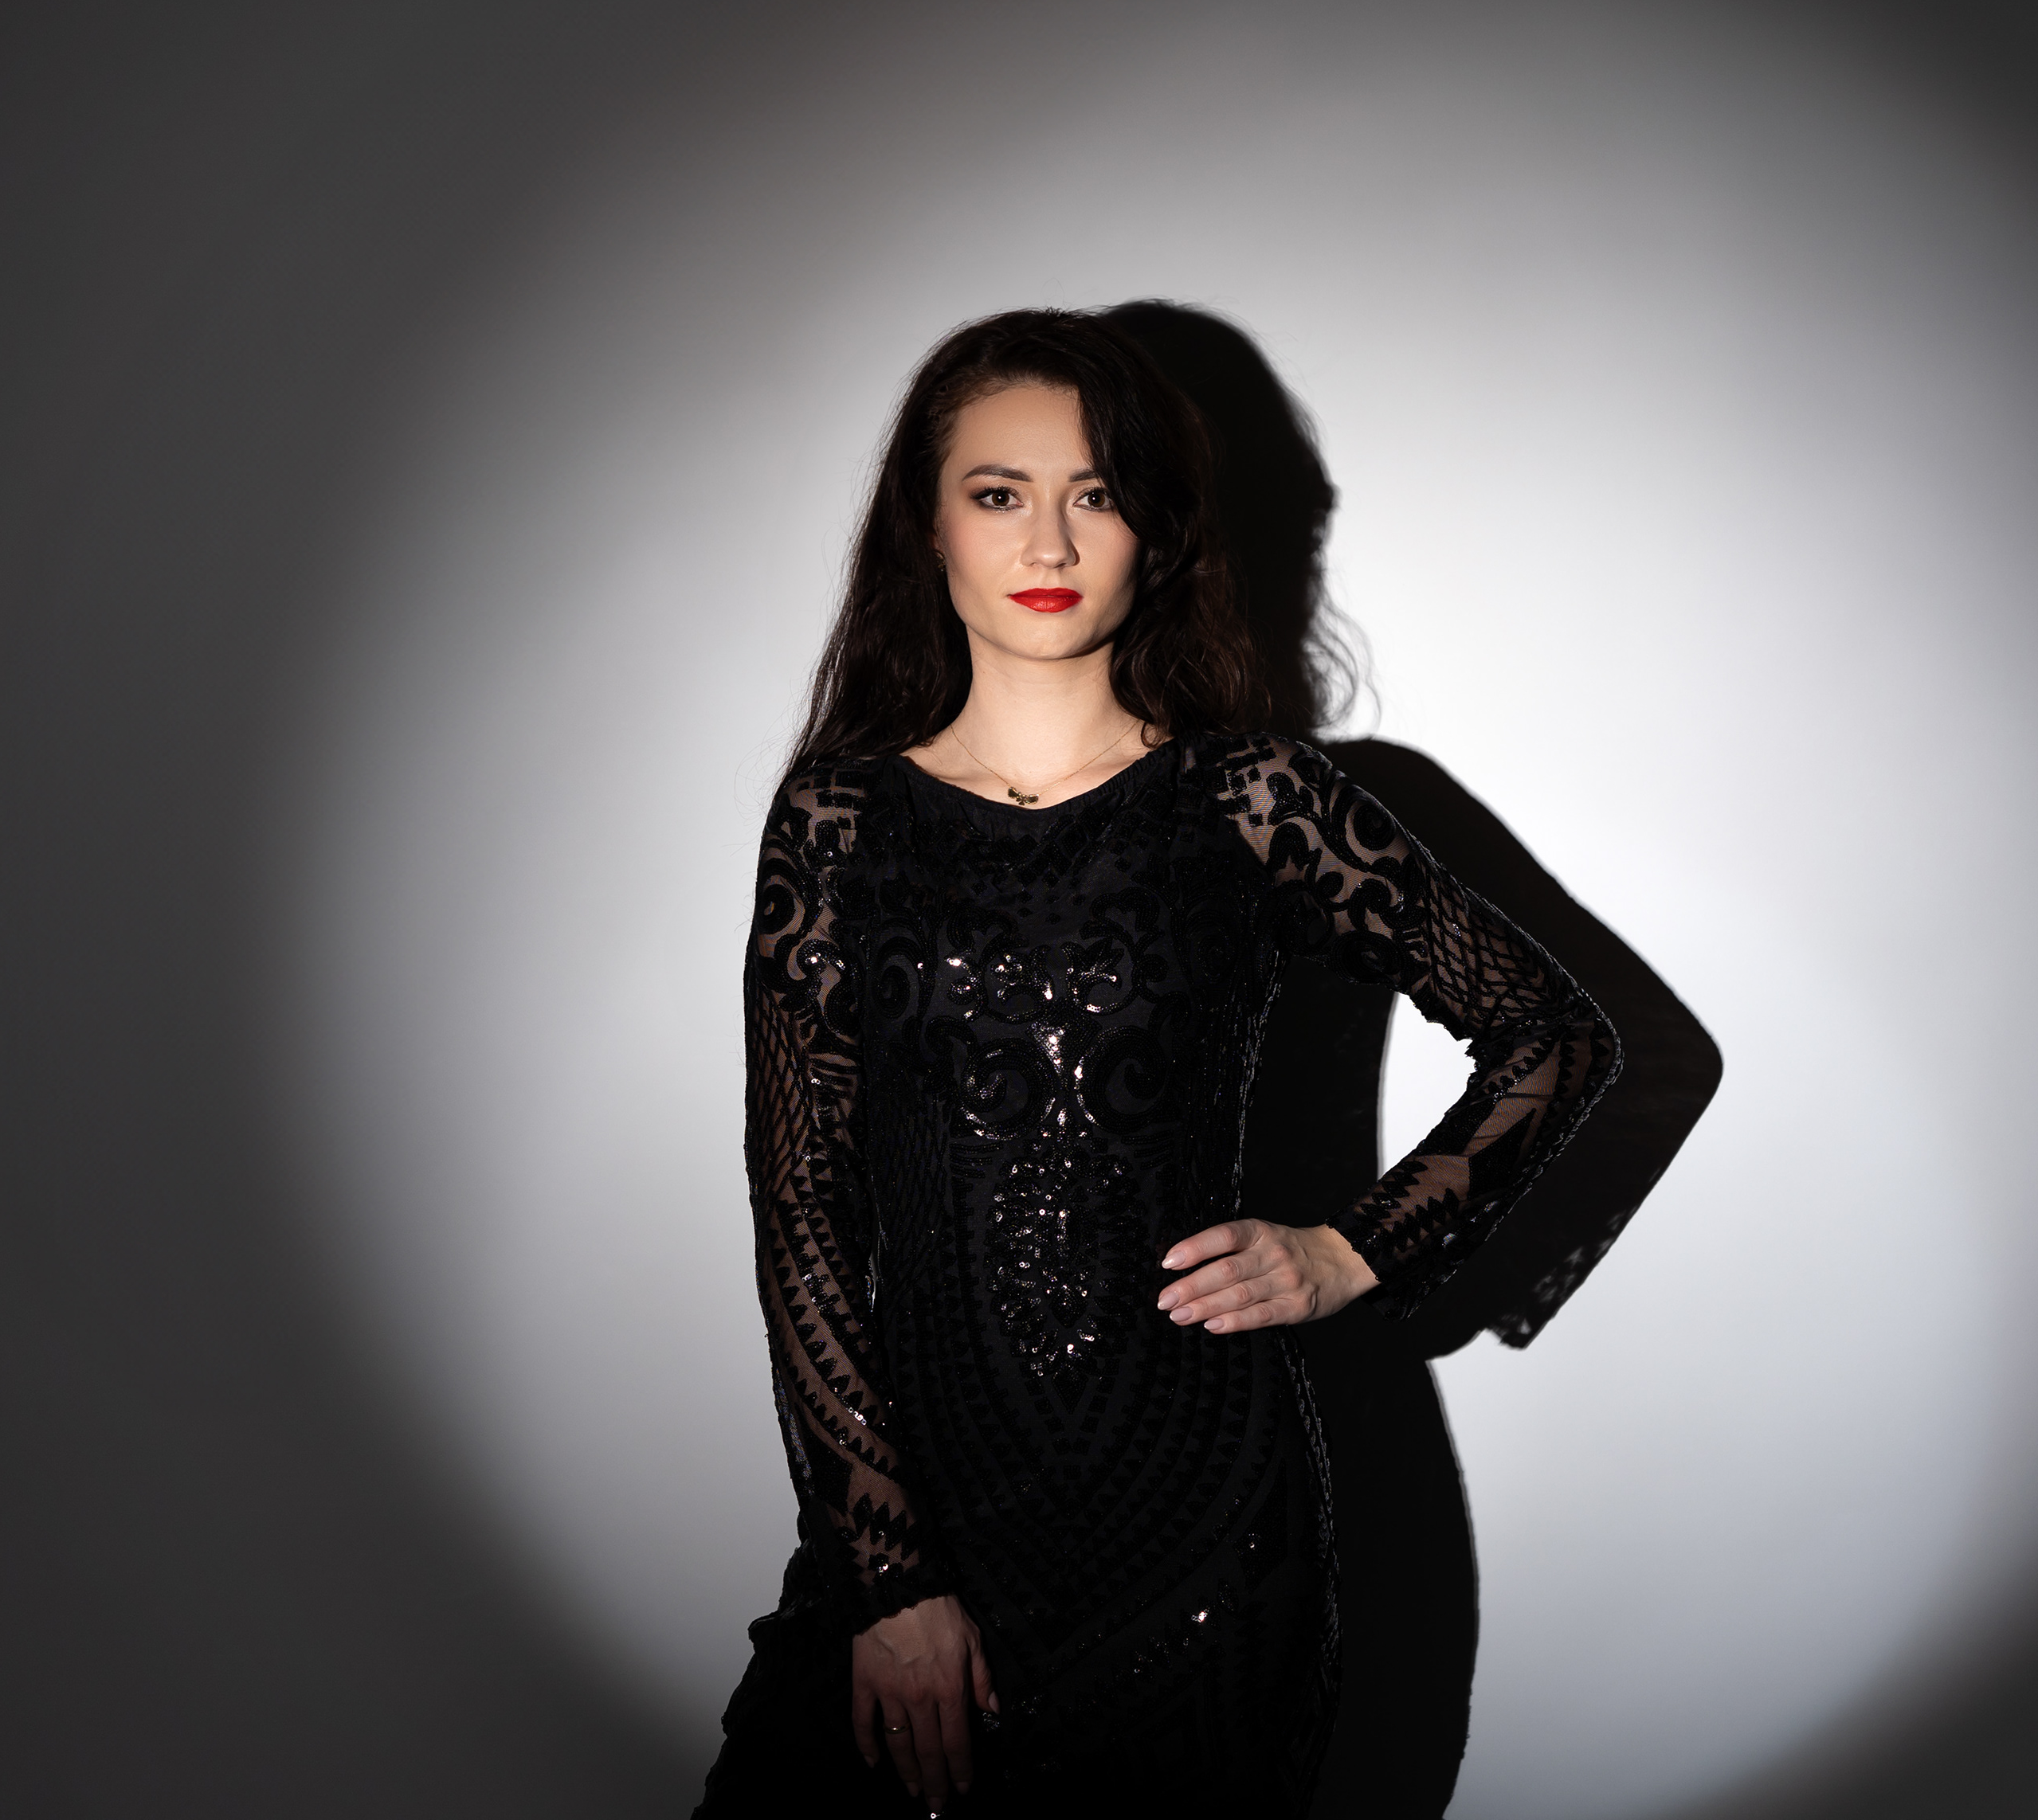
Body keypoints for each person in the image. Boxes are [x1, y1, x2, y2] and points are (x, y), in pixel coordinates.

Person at [694, 309, 1619, 1819]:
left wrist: (1349, 1253)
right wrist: (886, 1574)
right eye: (1001, 493)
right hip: (925, 1516)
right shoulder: (837, 823)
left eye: (1098, 492)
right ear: (927, 524)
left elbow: (1555, 1037)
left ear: (1155, 528)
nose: (1050, 539)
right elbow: (801, 1203)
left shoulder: (1255, 802)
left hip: (1205, 1531)